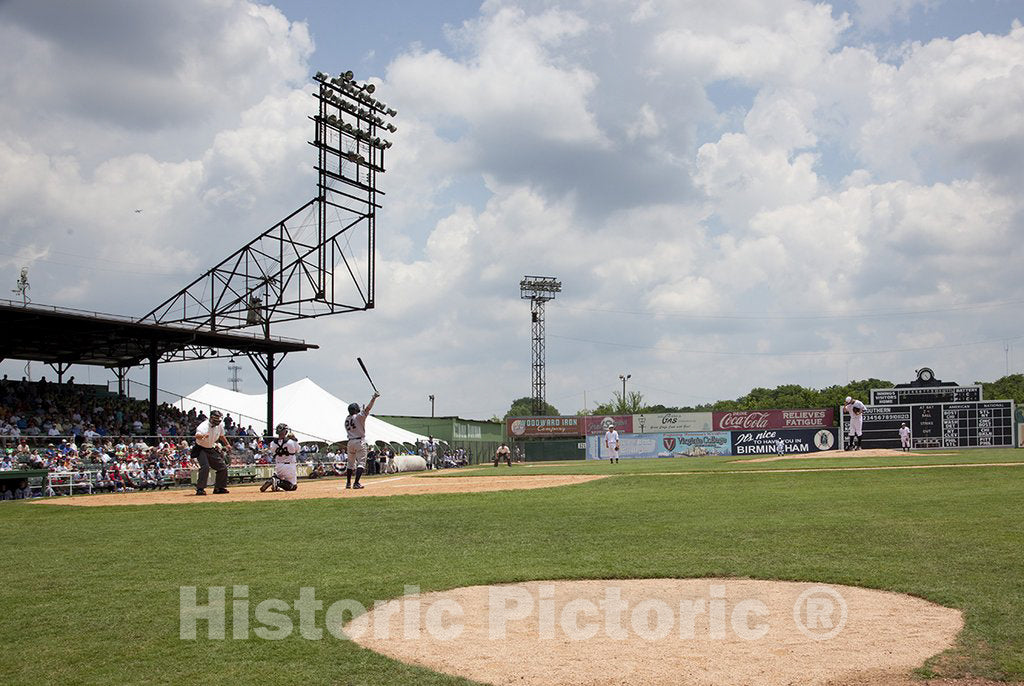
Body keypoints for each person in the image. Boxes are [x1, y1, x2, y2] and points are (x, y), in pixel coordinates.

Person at [344, 392, 379, 489]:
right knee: (361, 463)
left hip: (350, 442)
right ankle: (356, 483)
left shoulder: (347, 419)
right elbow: (368, 409)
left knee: (350, 464)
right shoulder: (359, 416)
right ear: (355, 410)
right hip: (359, 441)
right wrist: (374, 398)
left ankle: (348, 483)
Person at [193, 410, 231, 495]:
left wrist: (227, 444)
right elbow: (197, 435)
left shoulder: (220, 425)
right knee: (205, 467)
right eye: (216, 419)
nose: (217, 421)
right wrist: (203, 436)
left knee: (222, 467)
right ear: (211, 418)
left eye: (219, 419)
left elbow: (221, 436)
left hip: (210, 448)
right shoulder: (203, 426)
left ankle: (219, 488)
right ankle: (200, 489)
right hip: (201, 449)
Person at [260, 423, 299, 492]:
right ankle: (277, 481)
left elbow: (272, 451)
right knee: (293, 487)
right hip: (289, 466)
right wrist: (294, 439)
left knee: (280, 476)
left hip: (278, 466)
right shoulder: (291, 442)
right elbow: (298, 449)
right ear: (285, 432)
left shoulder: (273, 443)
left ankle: (274, 479)